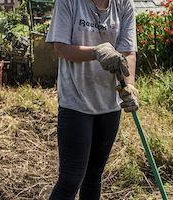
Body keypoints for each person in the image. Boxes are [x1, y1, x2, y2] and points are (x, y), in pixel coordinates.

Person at [45, 0, 139, 199]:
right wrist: (95, 52)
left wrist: (129, 85)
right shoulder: (69, 2)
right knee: (71, 179)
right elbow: (61, 47)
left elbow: (128, 51)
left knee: (94, 176)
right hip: (76, 101)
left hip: (109, 103)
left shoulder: (123, 4)